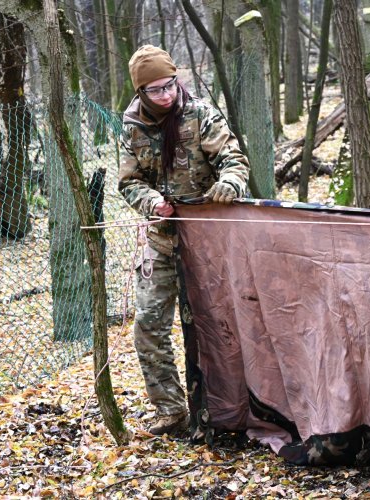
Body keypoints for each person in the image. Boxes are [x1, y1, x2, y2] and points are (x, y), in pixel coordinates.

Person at [118, 45, 250, 436]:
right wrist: (152, 202)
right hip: (162, 239)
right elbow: (129, 181)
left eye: (170, 85)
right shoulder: (132, 127)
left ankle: (229, 409)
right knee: (148, 325)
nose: (166, 95)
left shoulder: (200, 114)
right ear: (140, 93)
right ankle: (171, 409)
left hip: (210, 241)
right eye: (155, 90)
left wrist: (230, 183)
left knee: (220, 325)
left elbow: (233, 157)